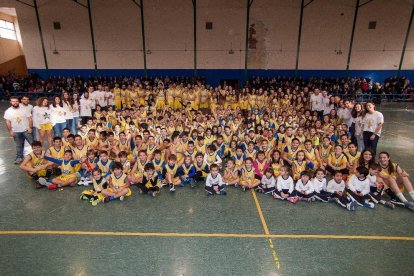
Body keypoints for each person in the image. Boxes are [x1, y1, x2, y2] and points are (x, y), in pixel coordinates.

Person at [4, 96, 34, 164]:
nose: (15, 102)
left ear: (19, 101)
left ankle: (38, 155)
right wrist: (10, 131)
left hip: (26, 130)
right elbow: (8, 122)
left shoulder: (24, 109)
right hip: (16, 131)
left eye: (16, 101)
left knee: (33, 143)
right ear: (10, 102)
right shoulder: (8, 111)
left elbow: (30, 118)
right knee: (19, 145)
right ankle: (19, 157)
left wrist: (30, 127)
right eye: (13, 101)